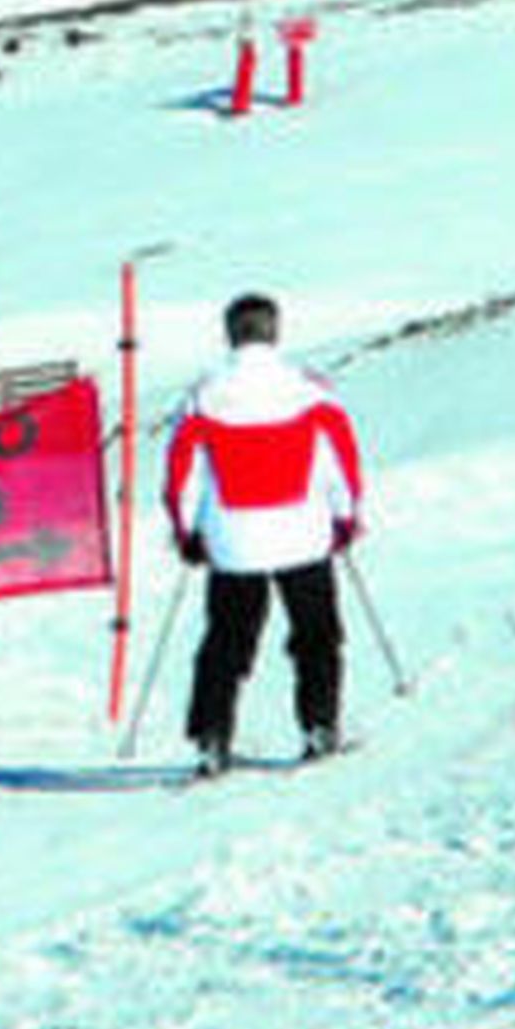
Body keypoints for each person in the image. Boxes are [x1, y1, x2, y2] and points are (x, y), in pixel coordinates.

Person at [163, 292, 364, 774]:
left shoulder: (203, 395)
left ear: (230, 333)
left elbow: (180, 475)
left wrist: (187, 533)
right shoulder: (309, 391)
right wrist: (346, 517)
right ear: (275, 332)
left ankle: (212, 737)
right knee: (316, 635)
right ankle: (319, 727)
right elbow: (341, 463)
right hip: (303, 534)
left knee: (227, 641)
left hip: (233, 539)